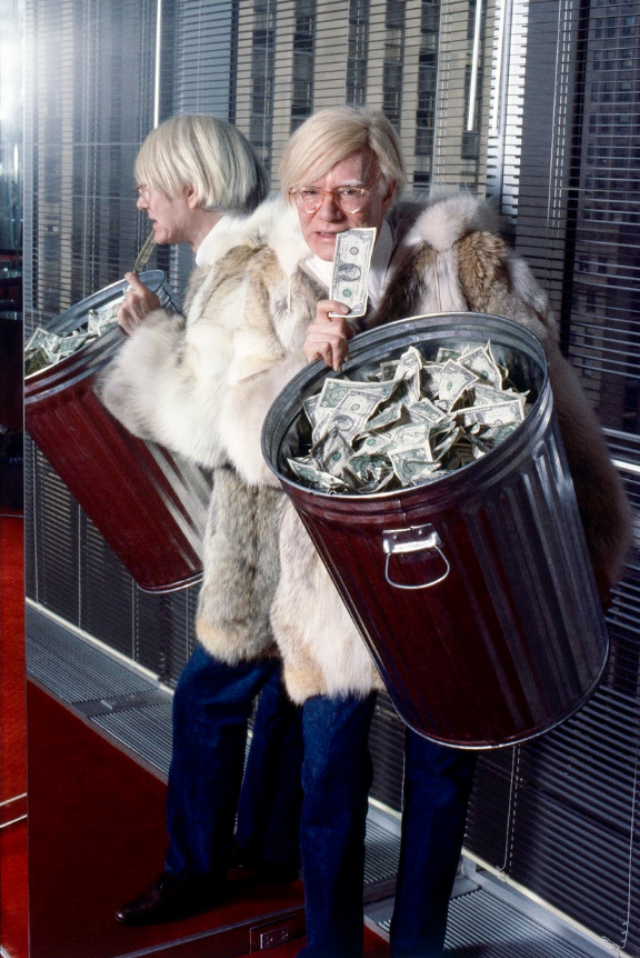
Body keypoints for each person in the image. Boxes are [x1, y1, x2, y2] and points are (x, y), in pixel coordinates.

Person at [103, 105, 631, 955]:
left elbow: (546, 400)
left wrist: (596, 541)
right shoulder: (271, 278)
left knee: (440, 776)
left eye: (348, 191)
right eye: (308, 192)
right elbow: (243, 438)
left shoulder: (460, 257)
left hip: (452, 576)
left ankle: (419, 944)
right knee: (326, 779)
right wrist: (299, 366)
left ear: (386, 186)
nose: (327, 212)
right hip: (329, 583)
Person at [97, 114, 304, 927]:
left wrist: (152, 334)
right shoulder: (248, 259)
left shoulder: (236, 273)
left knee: (206, 699)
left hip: (260, 529)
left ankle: (194, 871)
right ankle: (271, 846)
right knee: (284, 688)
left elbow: (207, 425)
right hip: (292, 525)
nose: (141, 201)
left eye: (150, 186)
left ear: (191, 188)